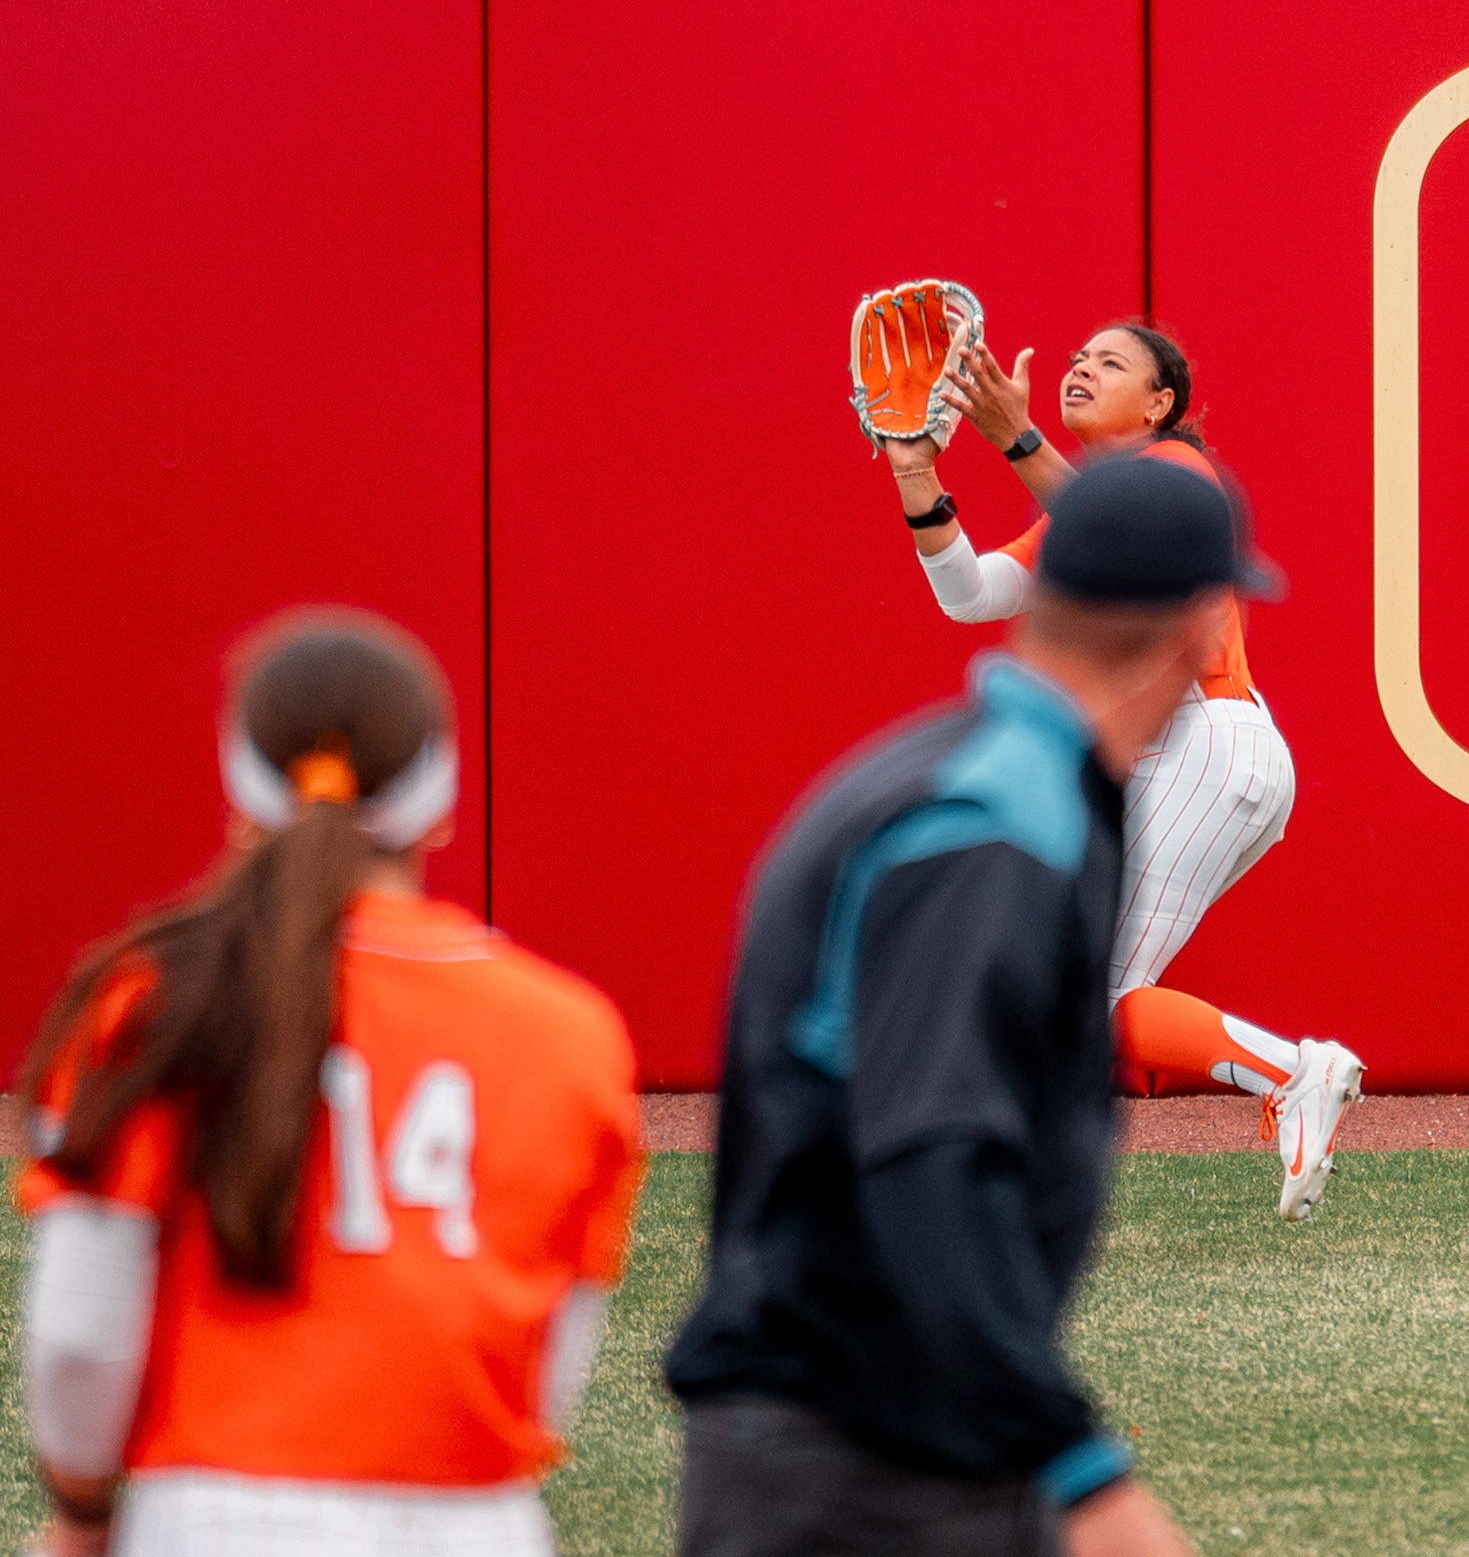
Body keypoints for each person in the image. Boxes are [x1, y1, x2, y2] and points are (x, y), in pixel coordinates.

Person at [668, 453, 1274, 1557]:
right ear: (1199, 626)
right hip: (860, 1457)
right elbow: (930, 1155)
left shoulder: (967, 775)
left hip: (890, 1421)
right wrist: (1084, 1472)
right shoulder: (1003, 818)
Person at [16, 610, 643, 1557]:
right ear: (438, 802)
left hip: (208, 1520)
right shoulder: (571, 1031)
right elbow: (550, 1369)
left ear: (242, 794)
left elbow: (83, 1331)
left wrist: (82, 1513)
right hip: (475, 1526)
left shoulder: (153, 999)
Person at [881, 320, 1363, 1222]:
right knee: (1076, 984)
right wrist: (917, 474)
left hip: (1209, 741)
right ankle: (1276, 1078)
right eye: (1076, 358)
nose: (1079, 370)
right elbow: (969, 595)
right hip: (1197, 754)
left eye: (1110, 364)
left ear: (1160, 405)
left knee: (1092, 990)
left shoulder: (1178, 473)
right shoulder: (1084, 510)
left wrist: (1015, 442)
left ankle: (1297, 1071)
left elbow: (1131, 535)